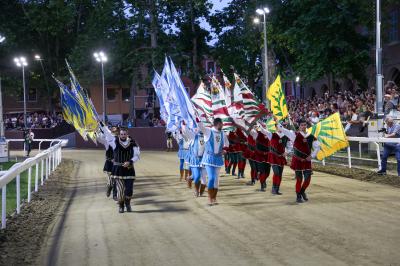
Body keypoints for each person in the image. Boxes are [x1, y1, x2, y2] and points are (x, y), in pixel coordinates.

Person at [278, 119, 320, 203]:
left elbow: (318, 147)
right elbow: (282, 129)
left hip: (307, 160)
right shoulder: (294, 134)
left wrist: (312, 156)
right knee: (299, 179)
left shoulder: (311, 136)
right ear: (299, 126)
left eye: (305, 125)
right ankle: (298, 196)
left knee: (308, 179)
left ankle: (302, 191)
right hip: (298, 160)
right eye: (302, 125)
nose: (304, 126)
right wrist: (276, 121)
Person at [102, 127, 140, 213]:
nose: (123, 135)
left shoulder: (133, 143)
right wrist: (101, 125)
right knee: (120, 190)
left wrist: (130, 162)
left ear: (127, 134)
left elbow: (137, 156)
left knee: (129, 190)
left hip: (129, 169)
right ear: (119, 134)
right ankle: (121, 206)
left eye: (124, 134)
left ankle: (127, 203)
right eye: (121, 134)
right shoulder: (114, 142)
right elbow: (107, 134)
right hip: (118, 170)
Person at [199, 118, 229, 206]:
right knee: (211, 178)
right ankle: (209, 198)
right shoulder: (208, 131)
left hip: (218, 159)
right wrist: (197, 118)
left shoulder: (223, 133)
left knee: (216, 180)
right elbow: (200, 126)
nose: (222, 125)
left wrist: (224, 150)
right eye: (221, 124)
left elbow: (227, 144)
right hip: (208, 158)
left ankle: (214, 197)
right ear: (217, 124)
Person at [182, 122, 207, 197]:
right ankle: (196, 191)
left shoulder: (207, 136)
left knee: (204, 180)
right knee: (197, 176)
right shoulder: (193, 136)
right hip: (194, 160)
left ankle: (201, 192)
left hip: (204, 160)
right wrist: (184, 123)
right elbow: (185, 131)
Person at [97, 126, 119, 199]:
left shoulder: (120, 140)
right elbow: (100, 139)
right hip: (109, 163)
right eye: (113, 131)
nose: (115, 132)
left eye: (116, 131)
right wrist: (96, 132)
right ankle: (109, 187)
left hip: (117, 163)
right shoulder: (107, 141)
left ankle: (115, 195)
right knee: (110, 181)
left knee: (116, 180)